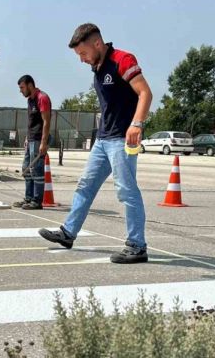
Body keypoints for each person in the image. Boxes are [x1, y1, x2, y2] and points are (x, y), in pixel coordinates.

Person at [39, 23, 153, 264]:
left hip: (122, 139)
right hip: (103, 140)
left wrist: (137, 124)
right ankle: (68, 233)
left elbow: (145, 93)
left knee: (126, 191)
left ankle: (137, 245)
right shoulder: (98, 67)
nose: (81, 60)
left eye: (83, 53)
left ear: (97, 44)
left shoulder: (122, 59)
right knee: (85, 186)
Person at [13, 75, 52, 210]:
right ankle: (28, 198)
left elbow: (46, 122)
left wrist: (43, 142)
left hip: (38, 139)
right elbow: (31, 122)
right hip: (30, 138)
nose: (21, 91)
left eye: (22, 87)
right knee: (26, 169)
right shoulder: (30, 100)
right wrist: (26, 138)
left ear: (30, 85)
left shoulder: (42, 98)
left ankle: (37, 200)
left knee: (37, 170)